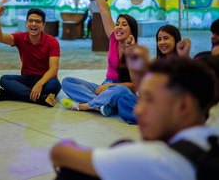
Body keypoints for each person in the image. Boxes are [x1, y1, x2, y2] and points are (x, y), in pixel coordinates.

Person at [51, 57, 219, 180]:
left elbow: (59, 152)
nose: (138, 110)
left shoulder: (157, 159)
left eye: (150, 100)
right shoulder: (212, 134)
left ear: (183, 106)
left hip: (116, 92)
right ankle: (98, 104)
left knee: (71, 173)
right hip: (105, 91)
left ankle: (91, 105)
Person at [61, 0, 138, 120]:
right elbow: (104, 10)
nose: (119, 27)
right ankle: (102, 105)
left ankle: (88, 105)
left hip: (121, 89)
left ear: (132, 31)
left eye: (124, 25)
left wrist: (111, 87)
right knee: (67, 82)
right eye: (117, 24)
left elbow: (135, 86)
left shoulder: (136, 52)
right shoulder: (113, 39)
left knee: (119, 91)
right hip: (105, 85)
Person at [0, 6, 61, 107]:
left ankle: (11, 94)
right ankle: (42, 99)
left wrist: (39, 84)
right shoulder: (20, 37)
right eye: (30, 21)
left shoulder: (52, 42)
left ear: (43, 25)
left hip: (46, 80)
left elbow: (53, 69)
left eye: (37, 21)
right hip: (27, 78)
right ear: (26, 23)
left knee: (55, 85)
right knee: (4, 79)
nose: (33, 24)